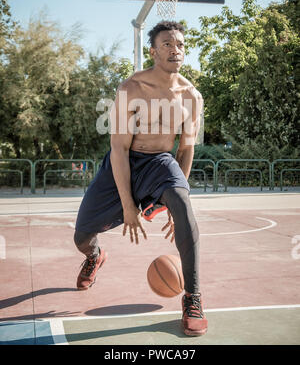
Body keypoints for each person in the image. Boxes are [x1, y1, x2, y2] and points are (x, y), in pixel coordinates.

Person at [73, 21, 208, 336]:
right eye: (167, 45)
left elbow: (186, 148)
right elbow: (118, 149)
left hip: (160, 164)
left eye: (180, 45)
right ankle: (95, 257)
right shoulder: (131, 88)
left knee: (183, 205)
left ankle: (194, 298)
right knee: (81, 236)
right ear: (153, 51)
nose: (175, 50)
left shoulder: (192, 96)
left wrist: (179, 198)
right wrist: (128, 206)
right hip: (124, 163)